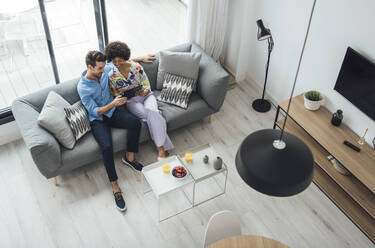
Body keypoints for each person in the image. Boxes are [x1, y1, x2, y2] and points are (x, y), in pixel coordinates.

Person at [77, 50, 144, 212]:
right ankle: (115, 186)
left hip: (113, 112)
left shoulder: (105, 69)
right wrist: (113, 104)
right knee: (106, 147)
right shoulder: (83, 88)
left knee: (135, 123)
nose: (103, 70)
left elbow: (117, 64)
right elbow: (95, 111)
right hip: (99, 119)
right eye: (99, 68)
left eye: (103, 67)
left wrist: (141, 58)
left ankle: (129, 157)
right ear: (89, 67)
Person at [104, 41, 174, 160]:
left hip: (147, 97)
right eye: (113, 61)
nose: (116, 63)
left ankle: (161, 149)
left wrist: (145, 91)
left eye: (119, 60)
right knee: (154, 114)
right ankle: (162, 149)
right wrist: (121, 97)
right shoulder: (111, 74)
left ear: (124, 57)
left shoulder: (136, 67)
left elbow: (146, 84)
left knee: (152, 112)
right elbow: (115, 92)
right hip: (131, 102)